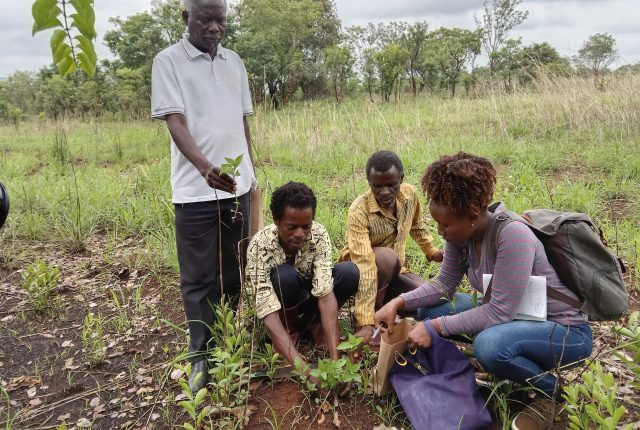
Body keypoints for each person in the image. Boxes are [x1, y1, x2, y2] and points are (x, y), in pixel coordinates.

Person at [375, 152, 593, 430]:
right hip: (519, 318)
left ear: (473, 216)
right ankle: (508, 371)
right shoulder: (461, 235)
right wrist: (399, 301)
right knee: (432, 309)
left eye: (445, 225)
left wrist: (432, 329)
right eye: (438, 223)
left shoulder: (513, 235)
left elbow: (498, 311)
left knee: (488, 347)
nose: (440, 232)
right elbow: (444, 286)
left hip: (564, 331)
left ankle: (552, 394)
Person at [150, 0, 255, 392]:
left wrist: (252, 171)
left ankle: (228, 340)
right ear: (185, 19)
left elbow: (241, 122)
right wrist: (203, 168)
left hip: (237, 187)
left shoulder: (235, 63)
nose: (214, 28)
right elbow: (174, 121)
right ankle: (200, 355)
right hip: (194, 191)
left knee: (234, 268)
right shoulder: (168, 62)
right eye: (205, 19)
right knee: (198, 277)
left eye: (220, 20)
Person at [245, 182, 359, 367]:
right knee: (285, 276)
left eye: (306, 226)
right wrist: (303, 368)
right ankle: (289, 330)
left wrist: (335, 361)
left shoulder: (318, 235)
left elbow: (325, 293)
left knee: (349, 272)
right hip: (282, 302)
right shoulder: (260, 246)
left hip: (310, 297)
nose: (300, 234)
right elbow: (268, 311)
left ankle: (316, 324)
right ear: (275, 219)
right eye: (291, 227)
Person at [339, 150, 443, 345]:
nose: (385, 192)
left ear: (401, 178)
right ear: (369, 183)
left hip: (396, 271)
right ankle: (376, 321)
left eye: (391, 184)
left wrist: (432, 251)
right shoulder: (359, 211)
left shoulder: (409, 195)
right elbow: (365, 266)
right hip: (362, 274)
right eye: (377, 187)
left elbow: (416, 225)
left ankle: (392, 307)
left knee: (433, 298)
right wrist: (365, 322)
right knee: (387, 257)